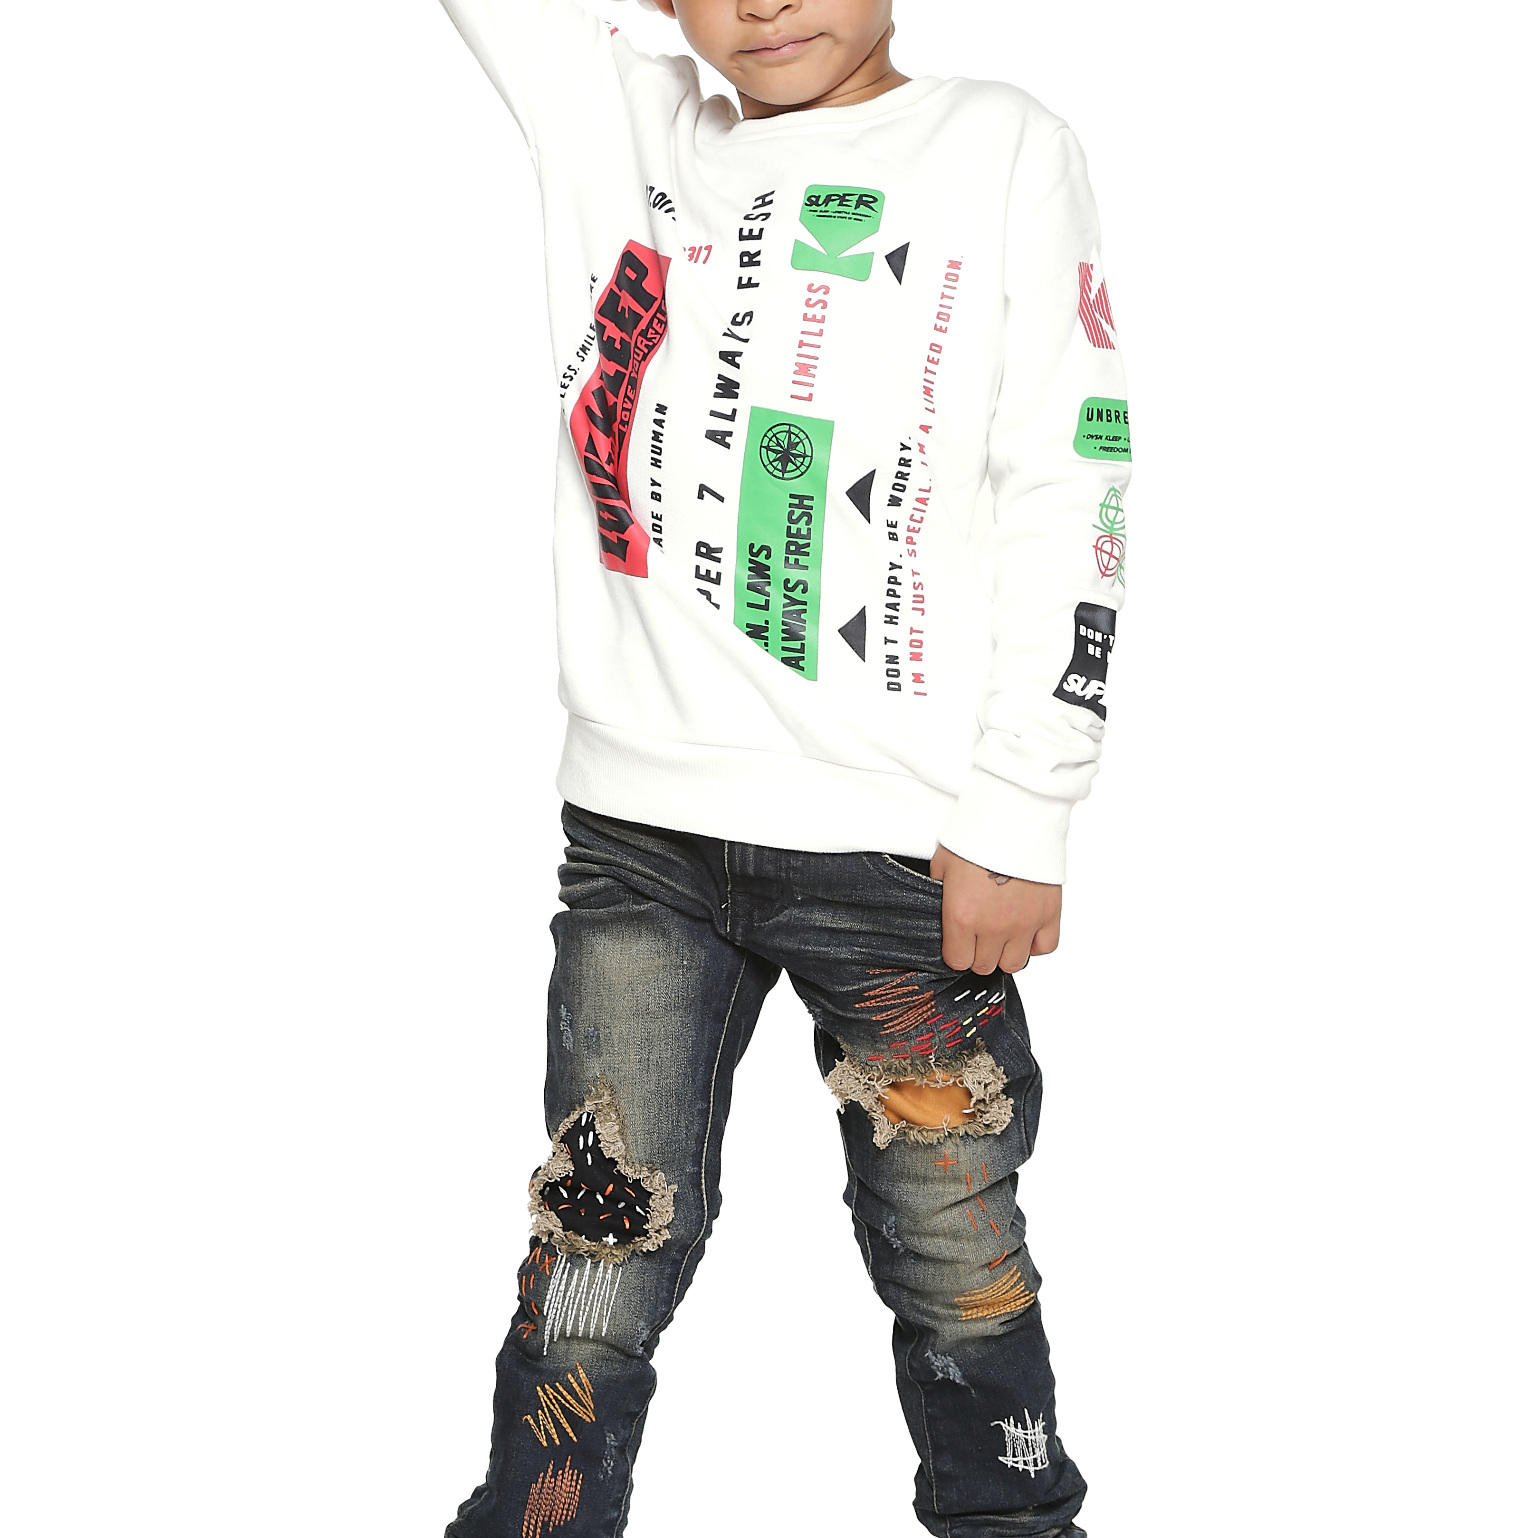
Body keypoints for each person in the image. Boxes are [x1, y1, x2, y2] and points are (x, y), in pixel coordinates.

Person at [433, 0, 1130, 1533]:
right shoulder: (618, 126)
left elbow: (1064, 471)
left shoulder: (998, 146)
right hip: (640, 837)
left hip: (903, 849)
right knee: (597, 1236)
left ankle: (1010, 1519)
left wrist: (1027, 800)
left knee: (949, 1237)